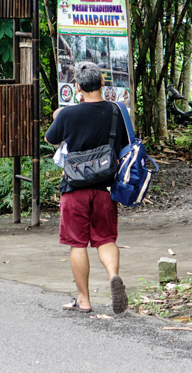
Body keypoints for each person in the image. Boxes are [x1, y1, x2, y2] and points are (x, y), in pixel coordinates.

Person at [45, 61, 130, 314]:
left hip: (74, 188)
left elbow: (51, 139)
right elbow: (125, 147)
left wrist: (58, 116)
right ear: (103, 83)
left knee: (78, 244)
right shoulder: (116, 111)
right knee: (105, 239)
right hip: (104, 189)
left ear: (78, 87)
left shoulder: (69, 114)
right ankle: (113, 275)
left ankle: (84, 300)